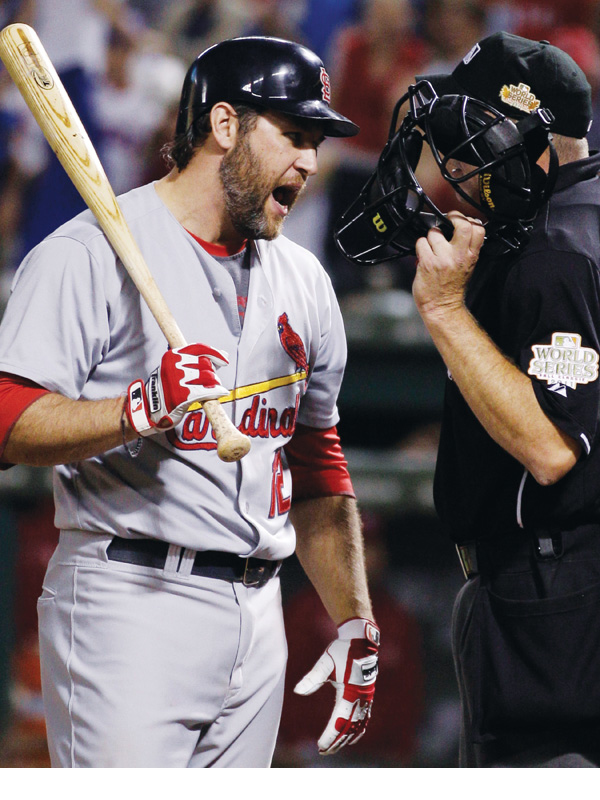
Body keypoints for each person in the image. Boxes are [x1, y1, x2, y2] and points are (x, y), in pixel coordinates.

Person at [0, 36, 380, 768]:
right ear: (226, 125)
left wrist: (355, 620)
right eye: (294, 136)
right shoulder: (88, 253)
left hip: (259, 606)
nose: (309, 161)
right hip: (128, 599)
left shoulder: (304, 280)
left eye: (316, 142)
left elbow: (316, 466)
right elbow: (8, 417)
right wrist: (138, 408)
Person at [338, 31, 600, 767]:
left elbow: (551, 448)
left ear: (535, 141)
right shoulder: (581, 220)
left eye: (473, 137)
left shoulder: (556, 249)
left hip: (555, 607)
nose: (456, 166)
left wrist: (448, 313)